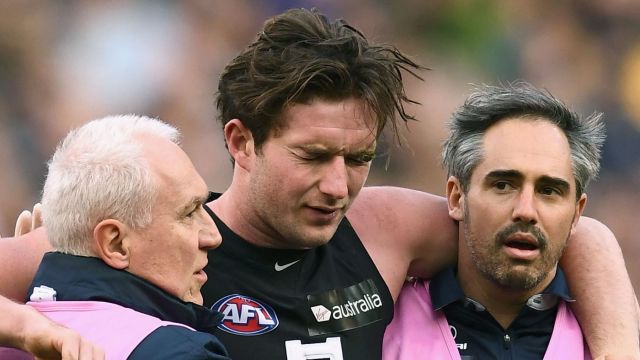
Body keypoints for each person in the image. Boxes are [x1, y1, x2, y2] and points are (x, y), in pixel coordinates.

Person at [0, 8, 638, 360]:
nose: (338, 185)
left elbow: (576, 233)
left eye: (358, 157)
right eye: (312, 156)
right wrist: (31, 329)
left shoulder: (385, 230)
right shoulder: (157, 233)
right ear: (240, 141)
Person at [383, 82, 605, 359]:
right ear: (456, 198)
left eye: (548, 191)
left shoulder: (606, 338)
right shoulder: (383, 324)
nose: (526, 210)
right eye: (503, 185)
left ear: (577, 213)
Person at [0, 115, 230, 359]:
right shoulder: (181, 352)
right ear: (116, 244)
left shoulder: (14, 338)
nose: (213, 236)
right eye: (188, 213)